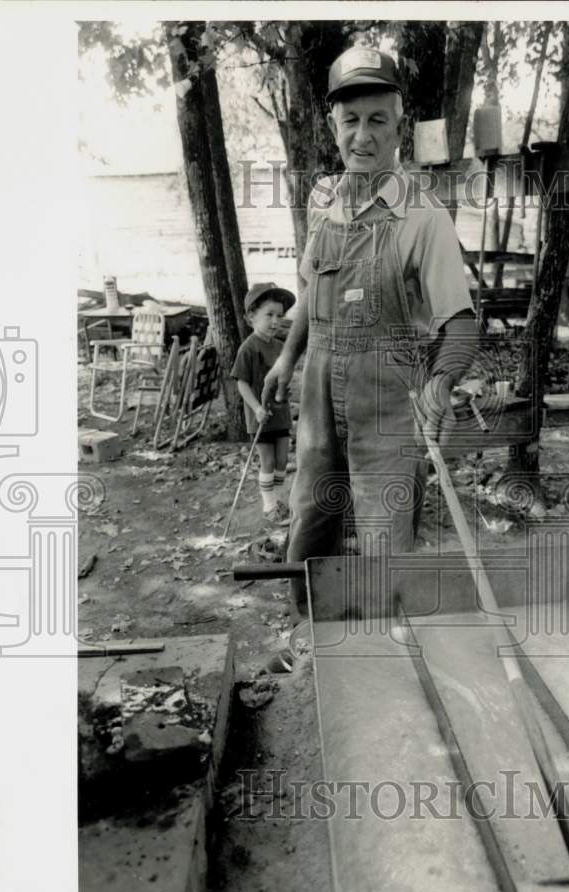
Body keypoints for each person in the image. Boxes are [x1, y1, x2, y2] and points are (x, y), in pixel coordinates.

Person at [261, 46, 478, 615]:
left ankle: (390, 660)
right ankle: (313, 630)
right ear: (333, 125)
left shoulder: (424, 215)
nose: (362, 136)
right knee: (311, 514)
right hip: (318, 386)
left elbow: (459, 324)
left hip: (387, 396)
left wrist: (441, 382)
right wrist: (287, 359)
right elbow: (313, 290)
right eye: (350, 120)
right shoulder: (324, 199)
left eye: (377, 120)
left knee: (385, 535)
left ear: (399, 124)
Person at [231, 282, 296, 525]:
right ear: (251, 316)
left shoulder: (280, 347)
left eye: (280, 315)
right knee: (268, 461)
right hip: (260, 416)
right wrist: (257, 408)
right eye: (269, 315)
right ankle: (269, 506)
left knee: (281, 460)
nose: (275, 321)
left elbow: (283, 378)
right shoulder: (248, 348)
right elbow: (241, 383)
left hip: (280, 413)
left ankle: (278, 501)